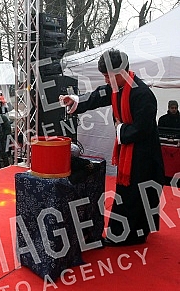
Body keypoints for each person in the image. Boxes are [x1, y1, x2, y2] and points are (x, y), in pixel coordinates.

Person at [59, 49, 164, 247]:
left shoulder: (142, 94)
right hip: (130, 151)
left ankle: (128, 236)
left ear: (122, 72)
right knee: (129, 192)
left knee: (135, 194)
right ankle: (133, 230)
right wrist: (76, 100)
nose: (106, 80)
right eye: (104, 76)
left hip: (143, 154)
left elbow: (142, 129)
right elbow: (97, 96)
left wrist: (119, 128)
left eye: (108, 75)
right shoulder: (116, 87)